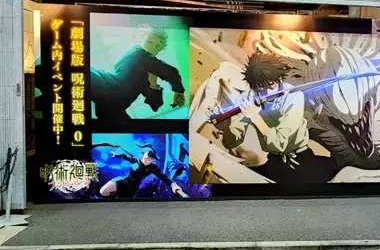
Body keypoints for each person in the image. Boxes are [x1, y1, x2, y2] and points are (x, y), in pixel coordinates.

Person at [215, 52, 337, 184]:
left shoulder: (294, 96)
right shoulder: (248, 98)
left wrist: (255, 117)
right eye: (261, 89)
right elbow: (232, 142)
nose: (268, 93)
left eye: (272, 87)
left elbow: (281, 143)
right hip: (274, 161)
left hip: (301, 161)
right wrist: (226, 128)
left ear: (279, 79)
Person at [90, 24, 186, 121]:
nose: (152, 48)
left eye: (157, 47)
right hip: (106, 86)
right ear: (141, 40)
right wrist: (179, 91)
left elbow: (155, 105)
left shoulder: (145, 73)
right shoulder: (139, 53)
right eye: (149, 42)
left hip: (114, 107)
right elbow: (171, 72)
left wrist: (153, 85)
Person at [99, 149, 183, 198]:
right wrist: (116, 155)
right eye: (147, 158)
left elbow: (164, 177)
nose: (148, 161)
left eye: (151, 159)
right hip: (124, 180)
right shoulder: (135, 160)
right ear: (142, 156)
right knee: (103, 191)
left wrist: (173, 184)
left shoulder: (153, 167)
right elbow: (125, 156)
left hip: (132, 188)